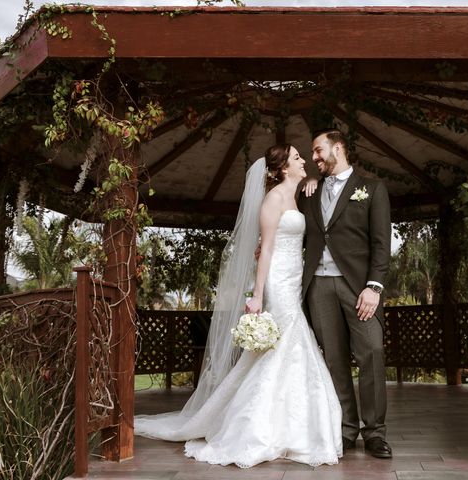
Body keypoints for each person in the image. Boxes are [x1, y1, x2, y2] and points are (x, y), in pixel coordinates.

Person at [134, 144, 342, 468]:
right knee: (287, 344)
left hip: (295, 278)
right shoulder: (272, 200)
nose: (304, 161)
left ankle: (291, 426)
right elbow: (267, 250)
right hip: (277, 281)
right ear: (284, 168)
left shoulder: (297, 194)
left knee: (286, 347)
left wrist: (312, 185)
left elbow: (309, 216)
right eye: (298, 158)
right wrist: (258, 295)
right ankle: (262, 429)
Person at [298, 128, 393, 458]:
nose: (314, 158)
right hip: (318, 286)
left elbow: (382, 244)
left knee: (372, 353)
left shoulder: (372, 189)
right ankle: (346, 429)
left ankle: (375, 432)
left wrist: (373, 287)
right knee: (334, 360)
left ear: (338, 148)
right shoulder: (308, 192)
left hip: (358, 287)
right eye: (311, 154)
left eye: (318, 151)